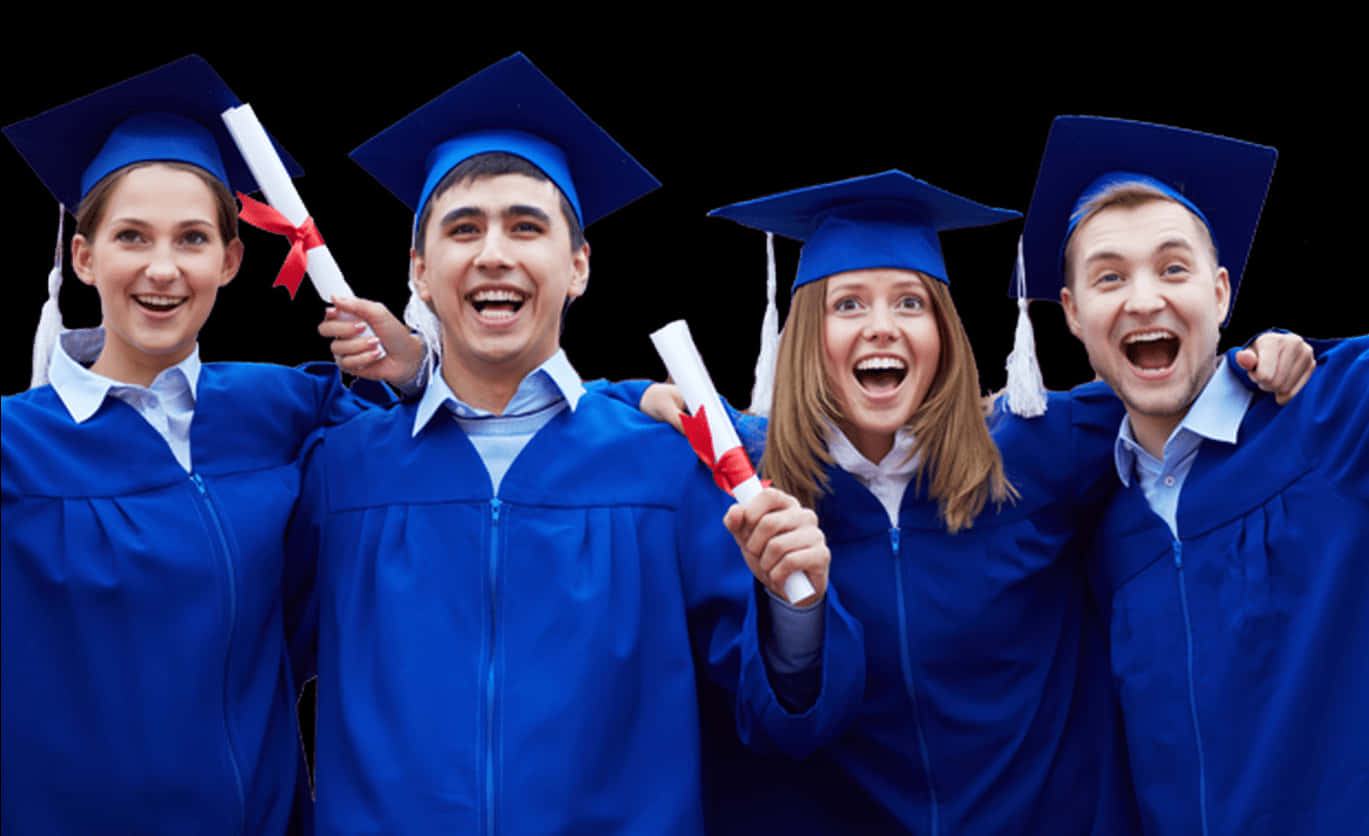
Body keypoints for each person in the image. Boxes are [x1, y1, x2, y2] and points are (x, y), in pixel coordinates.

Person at [287, 53, 865, 833]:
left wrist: (794, 608)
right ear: (420, 273)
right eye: (464, 230)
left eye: (527, 227)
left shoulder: (666, 464)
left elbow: (786, 718)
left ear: (579, 266)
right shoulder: (343, 472)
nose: (494, 252)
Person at [640, 169, 1315, 834]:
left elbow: (1171, 390)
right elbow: (778, 726)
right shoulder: (753, 489)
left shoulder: (1041, 445)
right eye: (847, 304)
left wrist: (1265, 355)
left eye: (910, 302)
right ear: (803, 339)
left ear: (944, 334)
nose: (881, 326)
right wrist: (796, 605)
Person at [1, 56, 422, 834]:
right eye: (131, 236)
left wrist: (411, 368)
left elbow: (429, 448)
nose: (162, 268)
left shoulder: (285, 407)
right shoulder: (16, 447)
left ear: (229, 261)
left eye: (193, 238)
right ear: (83, 257)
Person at [1017, 115, 1368, 835]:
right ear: (1073, 316)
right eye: (1108, 278)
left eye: (1172, 269)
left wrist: (1325, 352)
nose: (1143, 299)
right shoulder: (1098, 531)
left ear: (1220, 295)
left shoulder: (1330, 421)